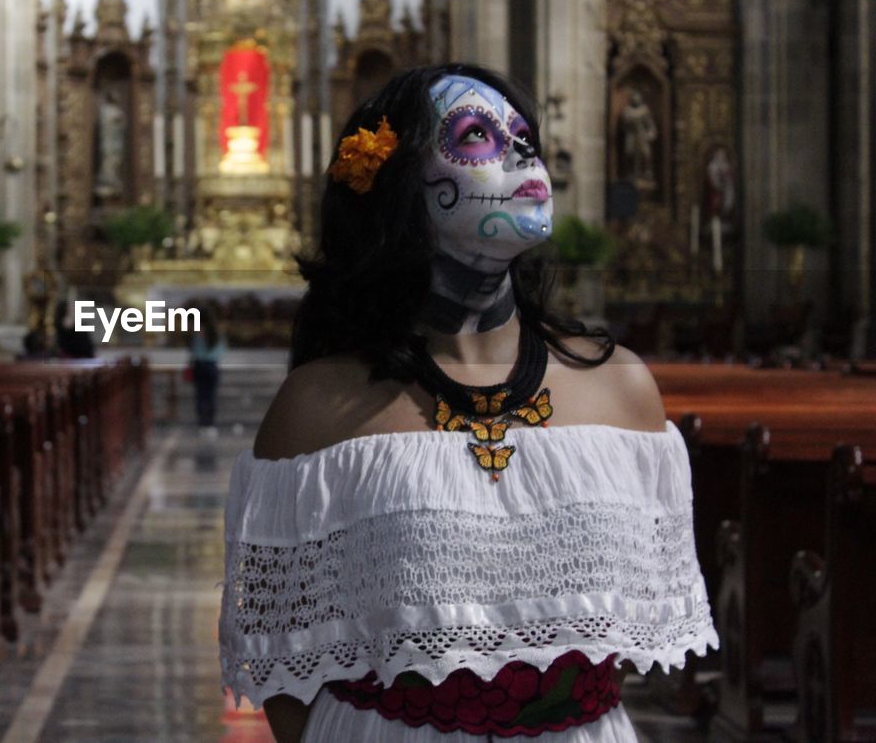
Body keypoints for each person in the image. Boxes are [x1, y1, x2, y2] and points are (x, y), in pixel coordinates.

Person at [218, 64, 719, 742]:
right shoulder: (317, 409)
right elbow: (285, 663)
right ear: (400, 188)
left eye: (523, 135)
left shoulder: (623, 392)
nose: (520, 151)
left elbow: (620, 636)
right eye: (477, 133)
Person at [189, 307, 226, 438]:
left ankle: (202, 424)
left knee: (200, 395)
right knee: (211, 396)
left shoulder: (196, 331)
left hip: (199, 365)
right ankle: (210, 424)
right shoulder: (216, 331)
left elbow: (193, 351)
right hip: (212, 365)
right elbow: (222, 350)